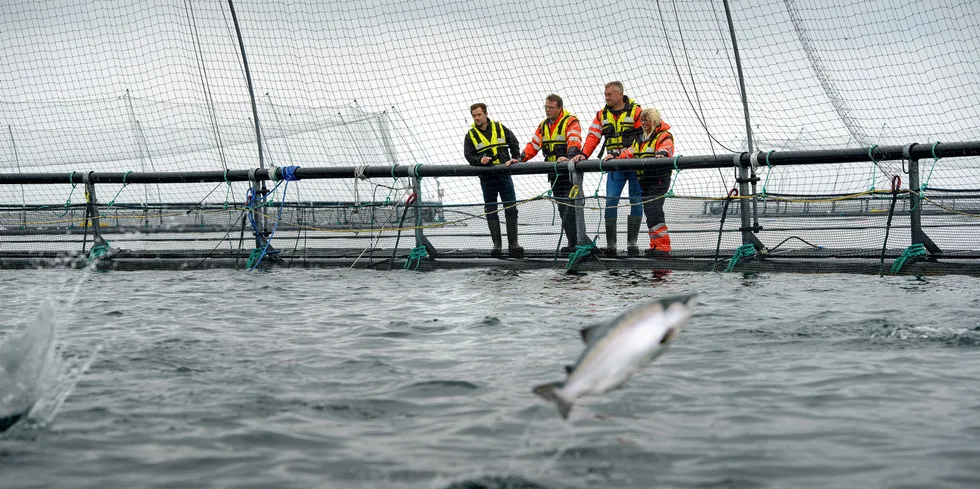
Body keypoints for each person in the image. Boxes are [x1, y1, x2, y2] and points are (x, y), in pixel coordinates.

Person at [572, 81, 644, 256]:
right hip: (614, 167)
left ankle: (632, 243)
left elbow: (642, 138)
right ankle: (611, 246)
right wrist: (584, 155)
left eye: (609, 94)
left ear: (620, 94)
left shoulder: (636, 112)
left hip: (635, 164)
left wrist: (624, 154)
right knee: (611, 202)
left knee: (637, 201)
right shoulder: (601, 115)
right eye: (605, 94)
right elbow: (593, 136)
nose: (606, 97)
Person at [514, 94, 584, 252]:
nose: (548, 111)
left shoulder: (570, 121)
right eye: (546, 107)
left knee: (571, 207)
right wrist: (520, 159)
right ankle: (572, 242)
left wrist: (568, 157)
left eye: (551, 108)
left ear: (559, 108)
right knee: (562, 208)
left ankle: (577, 242)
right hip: (554, 174)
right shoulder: (543, 126)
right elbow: (533, 146)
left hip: (569, 174)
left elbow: (575, 140)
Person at [605, 107, 675, 255]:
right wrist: (615, 156)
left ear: (654, 120)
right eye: (642, 119)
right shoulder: (640, 139)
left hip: (658, 180)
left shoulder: (663, 136)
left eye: (647, 119)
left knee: (654, 210)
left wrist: (662, 154)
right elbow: (630, 152)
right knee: (650, 211)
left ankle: (663, 247)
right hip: (646, 181)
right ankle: (656, 245)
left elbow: (666, 147)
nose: (644, 122)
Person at [463, 103, 524, 256]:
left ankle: (513, 244)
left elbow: (514, 142)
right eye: (474, 115)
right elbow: (469, 155)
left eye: (479, 115)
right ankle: (497, 245)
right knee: (491, 209)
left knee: (511, 207)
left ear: (485, 114)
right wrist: (479, 160)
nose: (477, 118)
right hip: (487, 178)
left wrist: (515, 158)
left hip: (504, 175)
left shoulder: (500, 128)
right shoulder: (470, 135)